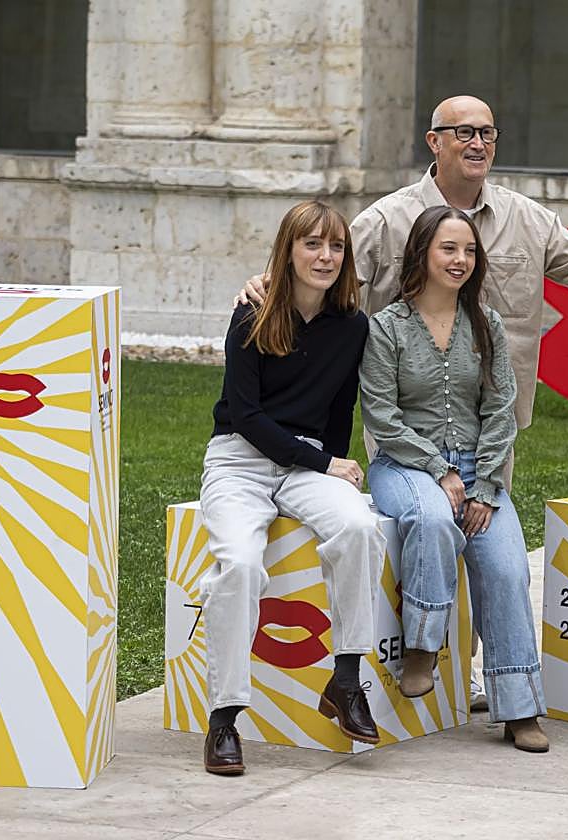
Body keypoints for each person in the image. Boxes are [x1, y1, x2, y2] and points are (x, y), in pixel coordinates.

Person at [238, 94, 568, 710]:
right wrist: (265, 285)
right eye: (463, 132)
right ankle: (436, 663)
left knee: (490, 546)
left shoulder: (526, 218)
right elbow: (321, 269)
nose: (478, 144)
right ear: (432, 141)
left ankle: (498, 690)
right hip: (407, 433)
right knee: (435, 526)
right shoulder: (387, 221)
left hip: (493, 430)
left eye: (488, 133)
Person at [198, 200, 385, 776]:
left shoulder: (352, 325)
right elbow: (248, 417)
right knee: (240, 565)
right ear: (288, 250)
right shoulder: (252, 314)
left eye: (335, 247)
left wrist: (326, 463)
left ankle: (346, 679)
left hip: (306, 467)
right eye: (312, 244)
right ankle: (224, 718)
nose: (325, 257)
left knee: (359, 526)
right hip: (240, 460)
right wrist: (323, 460)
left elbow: (339, 406)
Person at [360, 206, 548, 753]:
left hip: (477, 469)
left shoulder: (485, 323)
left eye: (468, 251)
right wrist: (438, 469)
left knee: (509, 570)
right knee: (432, 516)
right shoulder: (385, 328)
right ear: (421, 252)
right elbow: (380, 415)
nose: (460, 260)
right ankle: (423, 647)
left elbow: (500, 407)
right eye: (449, 249)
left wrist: (487, 485)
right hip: (403, 464)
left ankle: (518, 708)